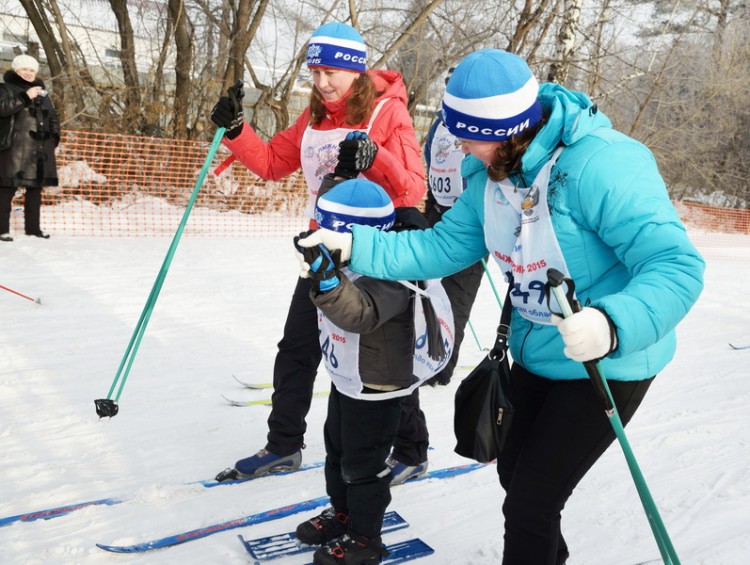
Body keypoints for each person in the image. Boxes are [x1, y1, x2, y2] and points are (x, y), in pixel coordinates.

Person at [296, 49, 705, 563]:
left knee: (531, 502)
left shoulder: (602, 163)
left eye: (467, 134)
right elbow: (439, 248)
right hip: (538, 353)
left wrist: (611, 324)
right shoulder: (490, 174)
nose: (458, 145)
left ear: (505, 130)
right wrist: (354, 245)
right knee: (515, 477)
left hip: (607, 360)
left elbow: (675, 264)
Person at [209, 22, 431, 484]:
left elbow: (414, 190)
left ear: (355, 71)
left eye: (331, 71)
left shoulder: (389, 114)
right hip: (322, 248)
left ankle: (411, 450)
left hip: (375, 254)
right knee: (297, 348)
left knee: (378, 361)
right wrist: (236, 130)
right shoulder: (313, 118)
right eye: (315, 72)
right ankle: (282, 446)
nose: (322, 82)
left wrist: (377, 158)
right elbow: (272, 163)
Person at [294, 178, 450, 565]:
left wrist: (327, 280)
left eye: (329, 232)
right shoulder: (350, 259)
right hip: (349, 379)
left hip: (379, 385)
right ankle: (343, 512)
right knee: (337, 453)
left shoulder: (394, 267)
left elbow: (360, 314)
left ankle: (366, 539)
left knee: (364, 466)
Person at [422, 67, 485, 386]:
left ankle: (442, 368)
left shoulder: (479, 126)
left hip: (468, 219)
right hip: (438, 212)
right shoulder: (438, 123)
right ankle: (421, 357)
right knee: (425, 292)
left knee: (455, 299)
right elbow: (429, 160)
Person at [0, 54, 59, 242]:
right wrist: (25, 97)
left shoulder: (43, 93)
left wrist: (53, 139)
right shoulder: (5, 88)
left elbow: (53, 117)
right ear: (16, 70)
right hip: (14, 148)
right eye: (24, 69)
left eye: (32, 70)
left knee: (35, 190)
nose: (28, 73)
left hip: (39, 150)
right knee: (6, 189)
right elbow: (2, 108)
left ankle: (33, 229)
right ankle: (2, 230)